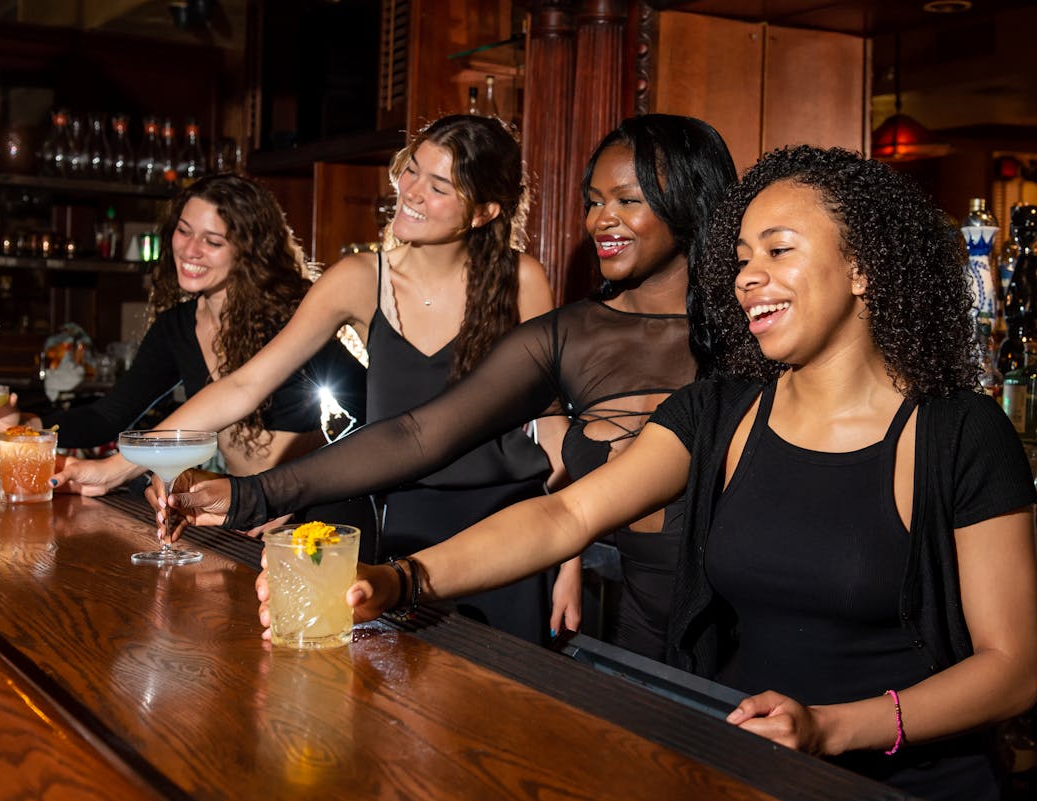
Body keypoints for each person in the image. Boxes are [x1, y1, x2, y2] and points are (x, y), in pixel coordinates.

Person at [264, 145, 1037, 800]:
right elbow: (564, 516)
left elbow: (1014, 668)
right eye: (740, 260)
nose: (747, 278)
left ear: (864, 268)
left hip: (903, 783)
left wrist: (833, 725)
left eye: (778, 251)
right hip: (745, 768)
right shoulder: (720, 412)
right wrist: (401, 580)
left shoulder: (960, 435)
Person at [166, 114, 737, 656]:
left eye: (627, 201)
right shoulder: (573, 333)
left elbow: (557, 468)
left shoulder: (749, 341)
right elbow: (418, 435)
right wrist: (248, 494)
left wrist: (565, 568)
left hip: (733, 628)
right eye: (593, 202)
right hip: (622, 615)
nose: (598, 220)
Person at [55, 114, 564, 644]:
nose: (410, 192)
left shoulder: (521, 279)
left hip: (506, 531)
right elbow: (243, 385)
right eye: (411, 171)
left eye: (438, 187)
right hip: (395, 531)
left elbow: (548, 421)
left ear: (485, 211)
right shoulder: (361, 279)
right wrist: (116, 467)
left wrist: (565, 553)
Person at [0, 173, 366, 487]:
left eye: (212, 241)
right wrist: (25, 425)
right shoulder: (178, 327)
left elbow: (369, 408)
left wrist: (302, 484)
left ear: (248, 250)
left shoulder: (290, 316)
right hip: (244, 510)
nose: (190, 251)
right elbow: (110, 415)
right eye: (184, 230)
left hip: (311, 511)